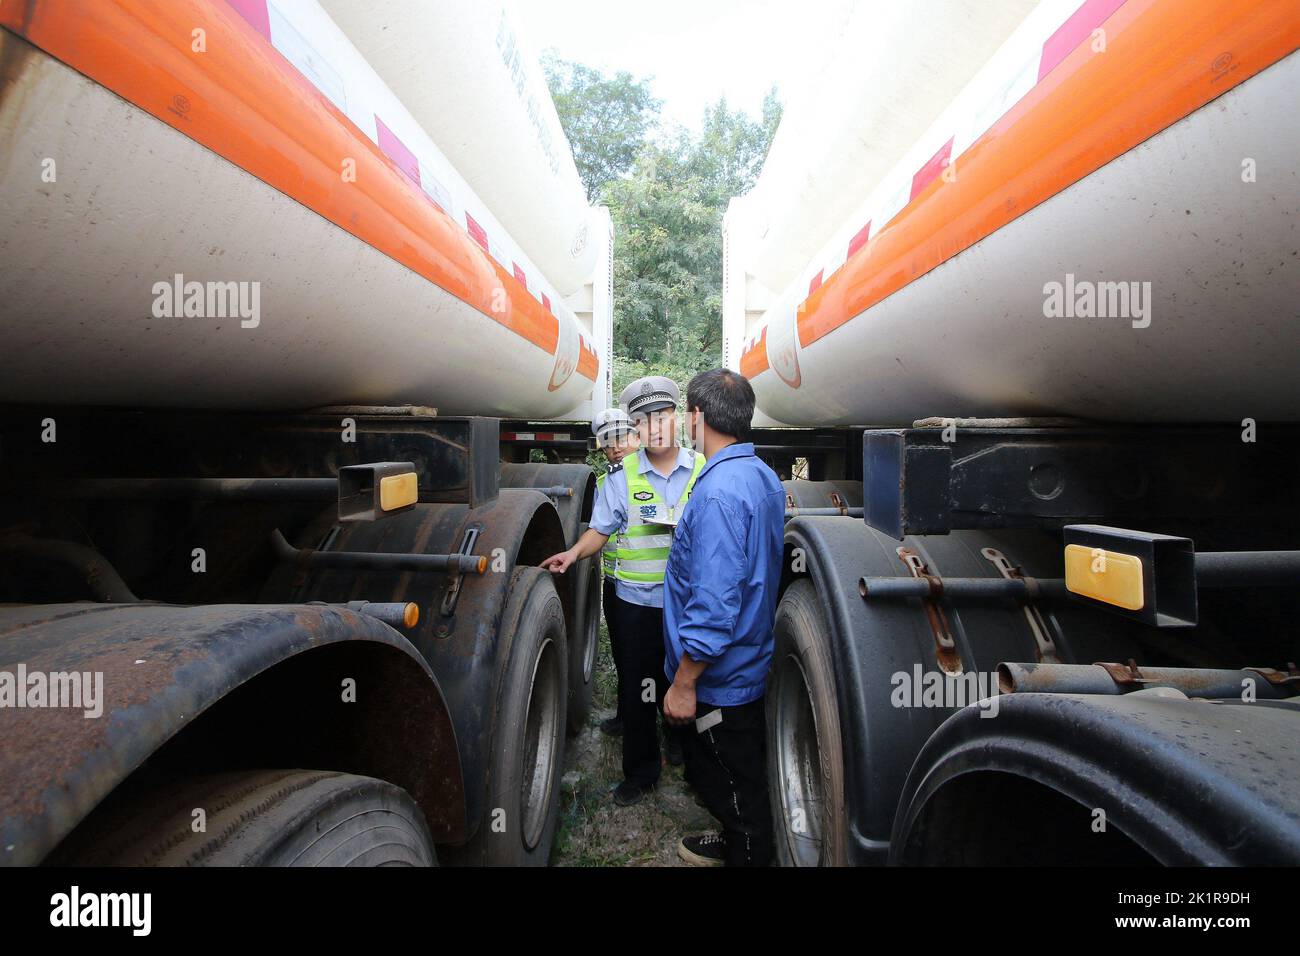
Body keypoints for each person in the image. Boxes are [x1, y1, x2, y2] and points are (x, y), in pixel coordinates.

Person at [541, 375, 703, 805]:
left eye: (662, 416)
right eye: (643, 420)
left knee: (690, 681)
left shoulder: (705, 470)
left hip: (688, 606)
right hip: (636, 603)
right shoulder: (620, 476)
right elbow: (600, 529)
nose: (654, 426)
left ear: (678, 420)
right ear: (636, 427)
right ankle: (642, 773)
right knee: (637, 687)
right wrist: (574, 554)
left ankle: (692, 762)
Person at [662, 368, 784, 866]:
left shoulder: (716, 493)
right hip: (748, 659)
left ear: (697, 417)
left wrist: (685, 682)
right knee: (740, 773)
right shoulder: (761, 476)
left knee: (736, 788)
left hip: (720, 678)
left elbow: (713, 606)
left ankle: (748, 850)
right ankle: (738, 838)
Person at [590, 408, 640, 737]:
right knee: (625, 656)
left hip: (654, 587)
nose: (616, 448)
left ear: (637, 437)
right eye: (608, 443)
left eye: (621, 438)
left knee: (664, 658)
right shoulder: (604, 482)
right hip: (616, 584)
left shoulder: (656, 476)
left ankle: (676, 734)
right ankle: (627, 716)